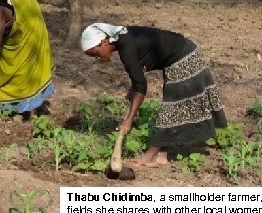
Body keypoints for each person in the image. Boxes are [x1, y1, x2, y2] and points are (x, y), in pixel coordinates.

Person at [81, 23, 227, 169]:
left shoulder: (126, 48)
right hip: (181, 55)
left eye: (95, 53)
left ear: (104, 43)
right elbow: (139, 71)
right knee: (172, 108)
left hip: (184, 58)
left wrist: (129, 120)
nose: (97, 58)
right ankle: (161, 156)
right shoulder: (123, 39)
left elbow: (141, 87)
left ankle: (150, 155)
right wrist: (134, 87)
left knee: (171, 109)